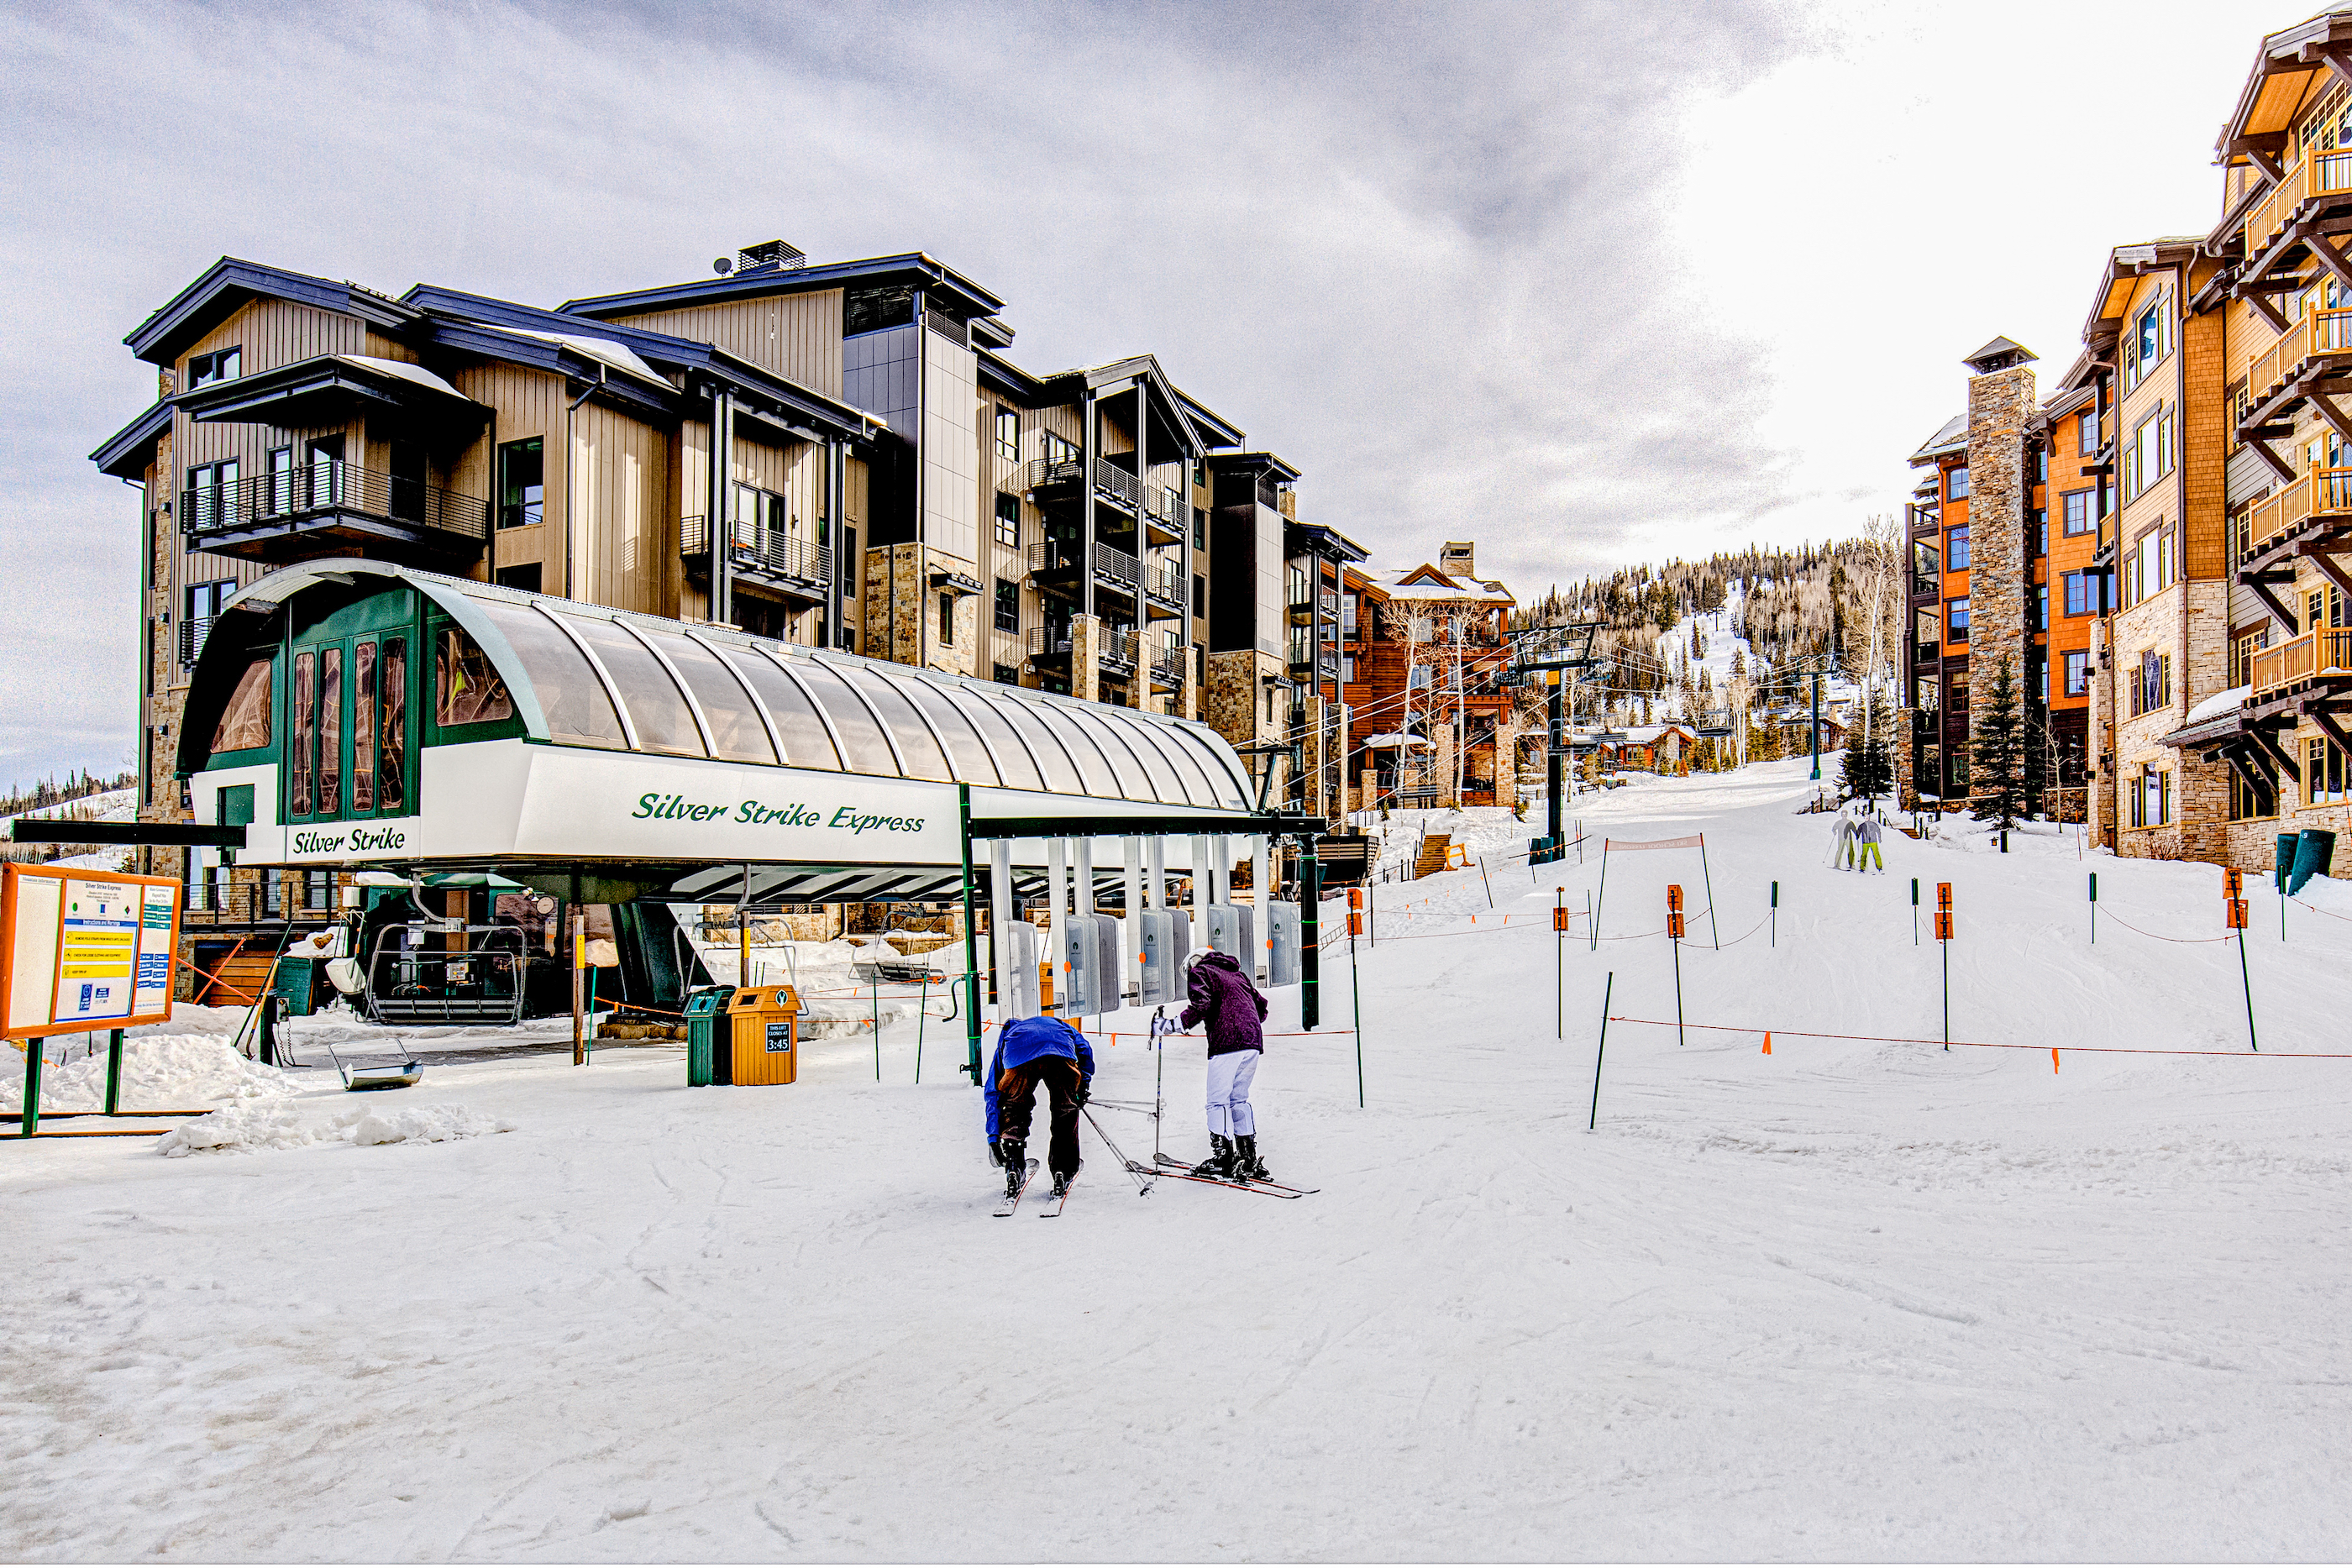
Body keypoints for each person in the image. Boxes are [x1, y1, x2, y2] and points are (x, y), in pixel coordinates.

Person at [1179, 948, 1272, 1180]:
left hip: (1227, 1043)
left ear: (1193, 962)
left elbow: (1202, 1006)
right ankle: (1248, 1157)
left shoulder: (1201, 971)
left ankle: (1223, 1158)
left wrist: (1174, 1024)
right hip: (1252, 1041)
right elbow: (1261, 1009)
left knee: (1216, 1102)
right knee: (1238, 1099)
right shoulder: (1238, 975)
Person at [984, 1013, 1095, 1201]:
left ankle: (1013, 1168)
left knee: (1014, 1108)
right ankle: (1062, 1171)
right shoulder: (1062, 1026)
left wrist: (993, 1136)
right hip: (1060, 1054)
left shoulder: (1010, 1035)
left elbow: (994, 1092)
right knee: (1065, 1110)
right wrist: (1083, 1084)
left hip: (1018, 1058)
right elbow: (1084, 1049)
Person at [1855, 803, 1886, 873]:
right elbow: (1858, 832)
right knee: (1864, 855)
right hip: (1865, 842)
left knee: (1876, 854)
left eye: (1868, 817)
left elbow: (1878, 831)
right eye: (1866, 817)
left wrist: (1879, 838)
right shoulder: (1862, 826)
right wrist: (1857, 836)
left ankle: (1879, 867)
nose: (1867, 818)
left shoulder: (1873, 824)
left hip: (1873, 841)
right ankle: (1862, 868)